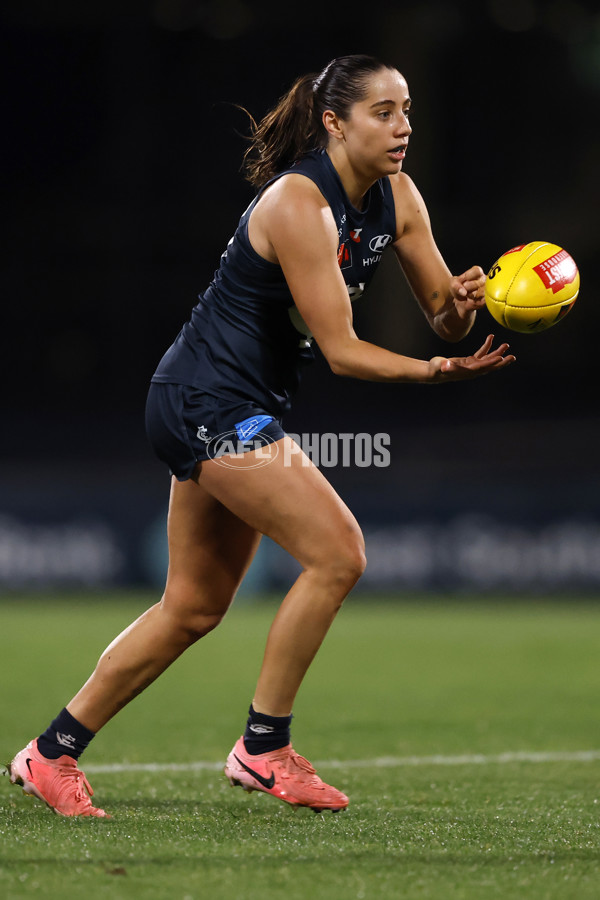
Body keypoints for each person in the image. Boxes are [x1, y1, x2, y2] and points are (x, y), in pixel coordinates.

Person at [9, 54, 515, 818]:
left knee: (192, 607)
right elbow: (343, 351)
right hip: (205, 399)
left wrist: (467, 304)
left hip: (228, 401)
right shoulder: (297, 203)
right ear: (334, 122)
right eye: (383, 111)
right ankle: (263, 747)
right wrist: (431, 372)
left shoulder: (398, 197)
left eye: (407, 109)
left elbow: (443, 313)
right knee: (338, 552)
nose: (403, 125)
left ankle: (49, 754)